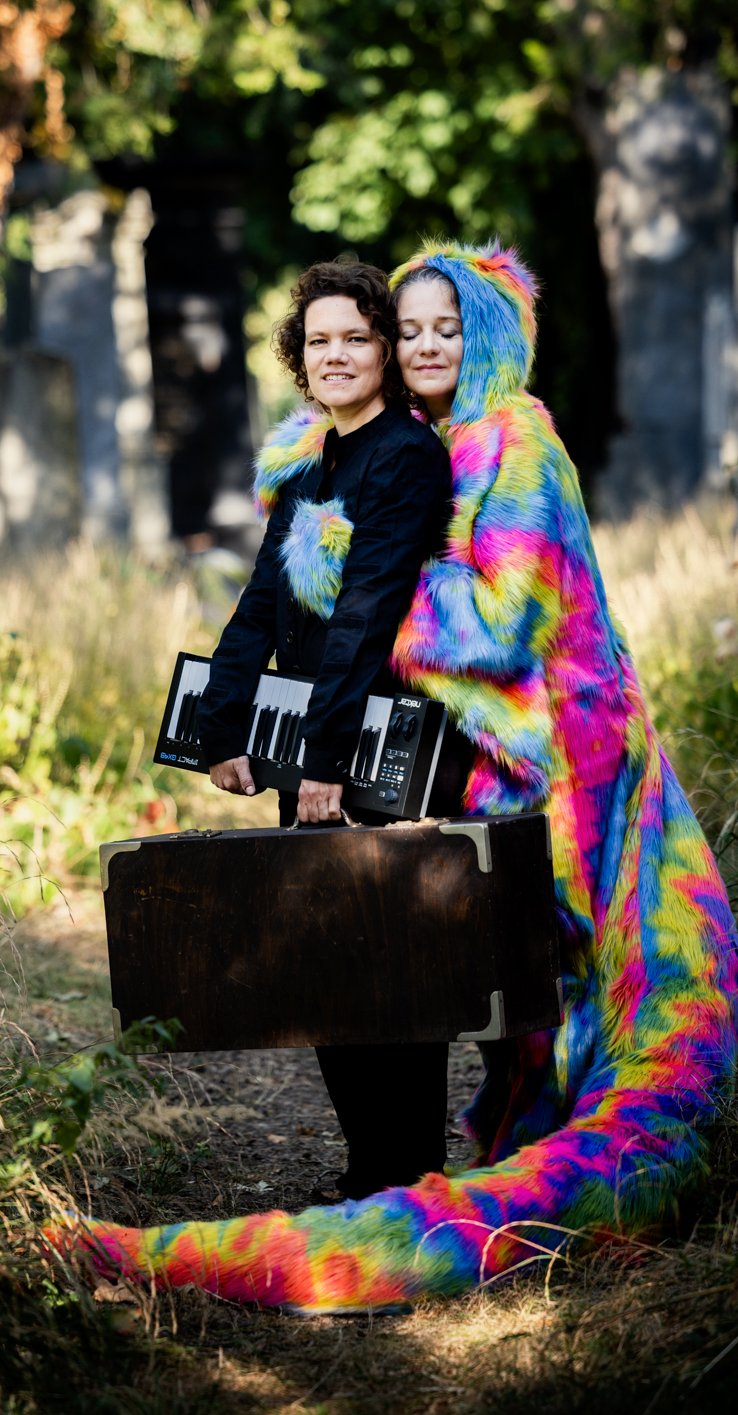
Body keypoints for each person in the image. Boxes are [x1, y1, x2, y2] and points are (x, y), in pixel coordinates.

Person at [56, 242, 738, 1312]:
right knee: (513, 988)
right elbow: (285, 601)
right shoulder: (426, 439)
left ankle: (508, 1178)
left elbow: (504, 613)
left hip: (571, 759)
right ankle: (491, 1157)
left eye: (442, 328)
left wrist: (349, 569)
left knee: (558, 970)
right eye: (408, 326)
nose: (424, 345)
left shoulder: (514, 440)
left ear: (487, 335)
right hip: (480, 763)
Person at [195, 259, 456, 1199]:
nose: (337, 355)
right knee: (321, 961)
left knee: (393, 964)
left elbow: (368, 614)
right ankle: (363, 1175)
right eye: (319, 343)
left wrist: (324, 760)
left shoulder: (408, 456)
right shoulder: (311, 464)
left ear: (386, 349)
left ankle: (410, 1178)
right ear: (299, 363)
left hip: (377, 743)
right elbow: (261, 604)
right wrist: (217, 726)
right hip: (313, 740)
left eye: (356, 337)